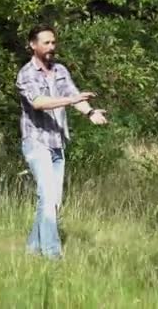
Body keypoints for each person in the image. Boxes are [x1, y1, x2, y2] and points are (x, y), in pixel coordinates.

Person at [16, 24, 108, 259]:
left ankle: (32, 250)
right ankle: (53, 255)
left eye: (53, 42)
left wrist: (90, 113)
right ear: (33, 45)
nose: (51, 47)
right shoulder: (26, 73)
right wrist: (70, 99)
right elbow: (39, 102)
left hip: (57, 143)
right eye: (46, 43)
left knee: (53, 201)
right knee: (47, 196)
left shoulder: (60, 71)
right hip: (36, 142)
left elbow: (76, 96)